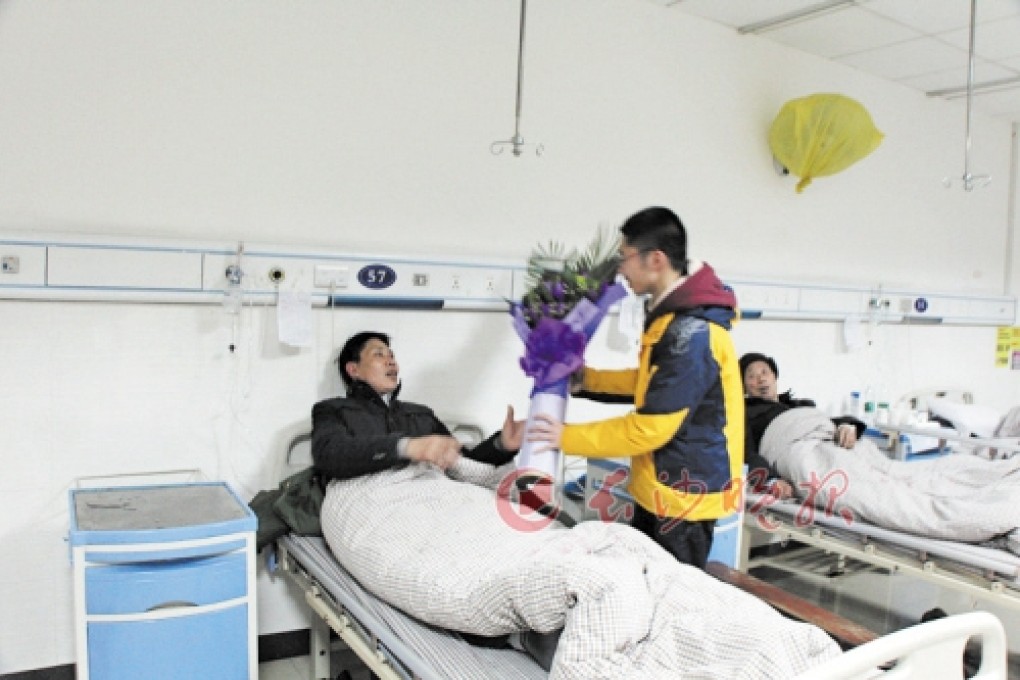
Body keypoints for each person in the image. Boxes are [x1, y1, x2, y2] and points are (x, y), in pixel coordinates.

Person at [527, 206, 745, 569]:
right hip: (662, 487)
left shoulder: (690, 334)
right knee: (643, 584)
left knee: (671, 600)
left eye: (624, 257)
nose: (620, 268)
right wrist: (588, 379)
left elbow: (649, 429)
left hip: (683, 496)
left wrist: (564, 437)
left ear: (655, 259)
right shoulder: (671, 316)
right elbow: (653, 384)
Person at [312, 331, 524, 482]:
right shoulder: (333, 410)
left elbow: (462, 464)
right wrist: (406, 447)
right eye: (379, 354)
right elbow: (330, 456)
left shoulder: (420, 415)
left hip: (432, 501)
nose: (391, 362)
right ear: (354, 370)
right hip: (375, 508)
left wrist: (501, 445)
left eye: (392, 355)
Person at [740, 352, 865, 500]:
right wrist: (770, 479)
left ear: (774, 376)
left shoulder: (801, 405)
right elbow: (744, 452)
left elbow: (823, 422)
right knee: (848, 488)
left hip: (829, 443)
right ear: (744, 386)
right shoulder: (745, 414)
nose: (761, 379)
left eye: (764, 372)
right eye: (752, 376)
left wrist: (847, 426)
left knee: (865, 461)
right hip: (799, 455)